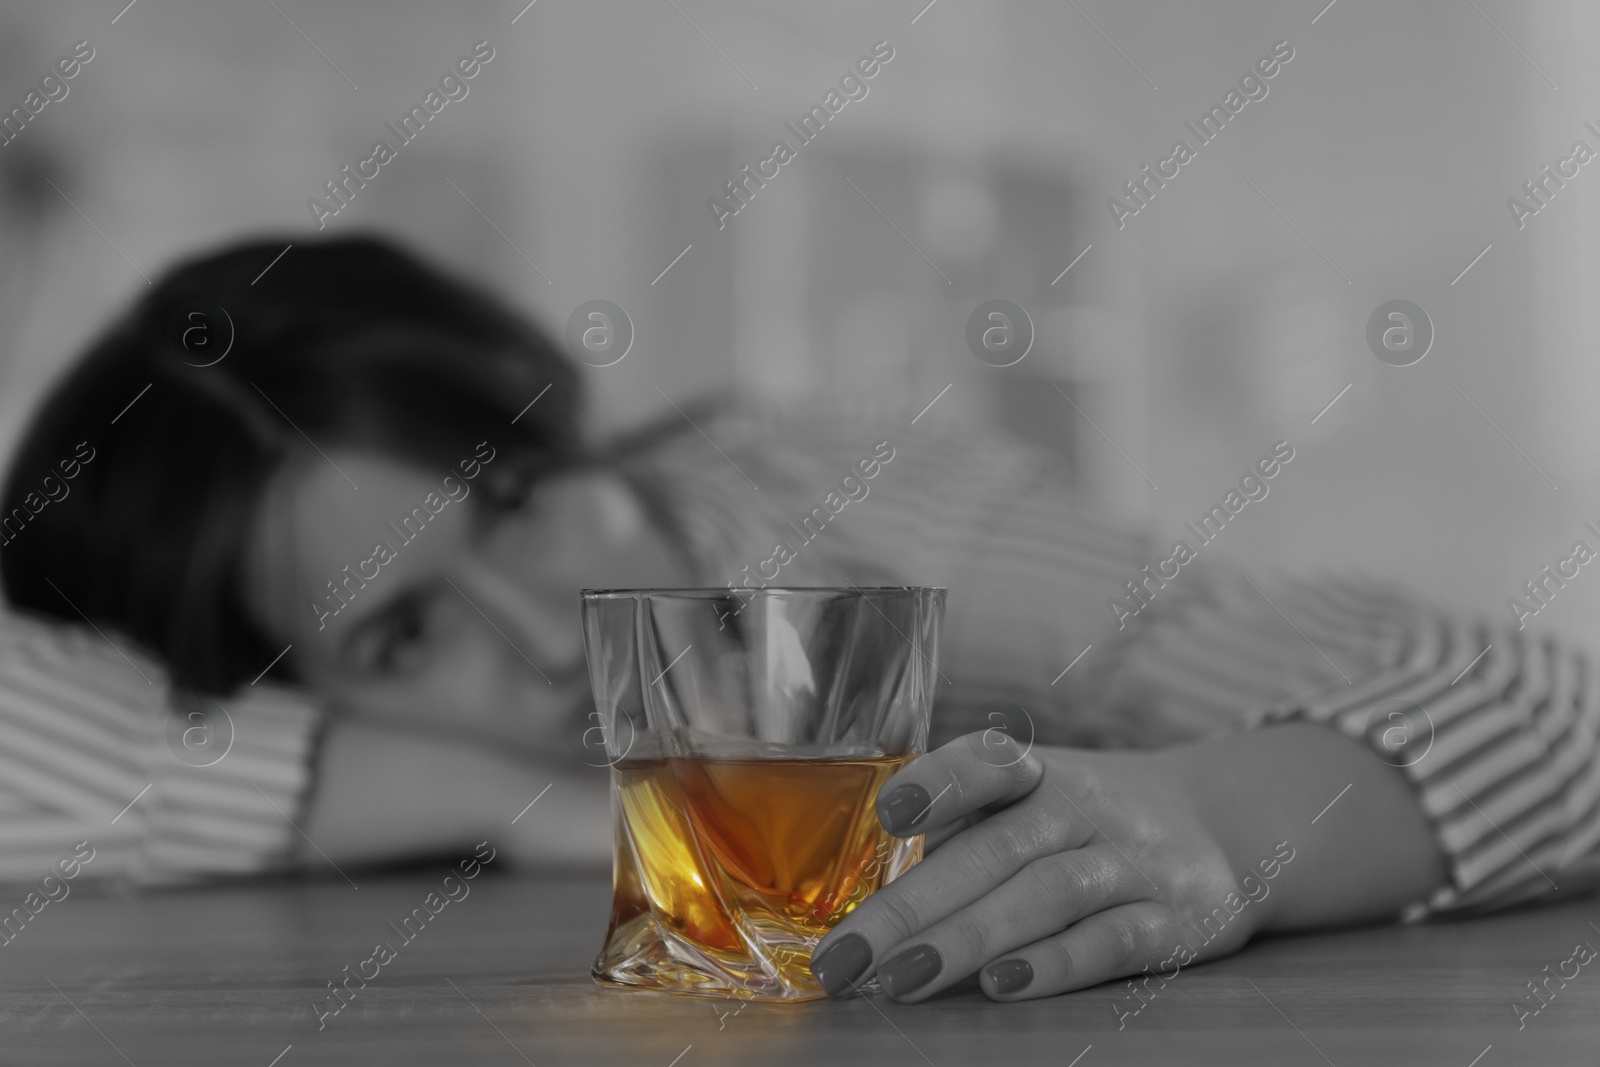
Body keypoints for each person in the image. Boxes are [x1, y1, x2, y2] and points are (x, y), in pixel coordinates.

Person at [2, 235, 1596, 1005]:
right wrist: (529, 806)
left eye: (512, 497)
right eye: (402, 637)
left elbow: (1544, 702)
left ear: (575, 432)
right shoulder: (200, 704)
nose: (551, 634)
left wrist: (1214, 823)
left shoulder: (862, 508)